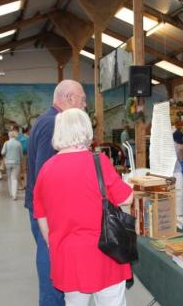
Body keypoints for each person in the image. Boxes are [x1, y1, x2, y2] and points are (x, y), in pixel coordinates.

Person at [33, 108, 133, 306]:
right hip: (106, 253)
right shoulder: (99, 162)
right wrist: (130, 184)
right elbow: (127, 199)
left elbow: (41, 216)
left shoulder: (46, 169)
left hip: (68, 257)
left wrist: (53, 244)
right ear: (86, 130)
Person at [26, 80, 86, 306]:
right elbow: (46, 174)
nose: (84, 105)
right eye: (82, 99)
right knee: (52, 267)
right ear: (69, 99)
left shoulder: (46, 119)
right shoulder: (54, 124)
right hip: (49, 212)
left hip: (42, 208)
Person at [2, 130, 23, 201]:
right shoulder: (18, 143)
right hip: (16, 162)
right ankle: (15, 195)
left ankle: (11, 193)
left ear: (9, 135)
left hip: (8, 162)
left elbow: (3, 152)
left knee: (9, 177)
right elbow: (21, 155)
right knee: (14, 178)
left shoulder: (6, 143)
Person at [173, 124, 183, 217]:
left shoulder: (177, 136)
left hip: (176, 170)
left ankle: (179, 216)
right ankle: (177, 216)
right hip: (169, 172)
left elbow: (181, 156)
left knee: (179, 194)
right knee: (176, 194)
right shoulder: (175, 137)